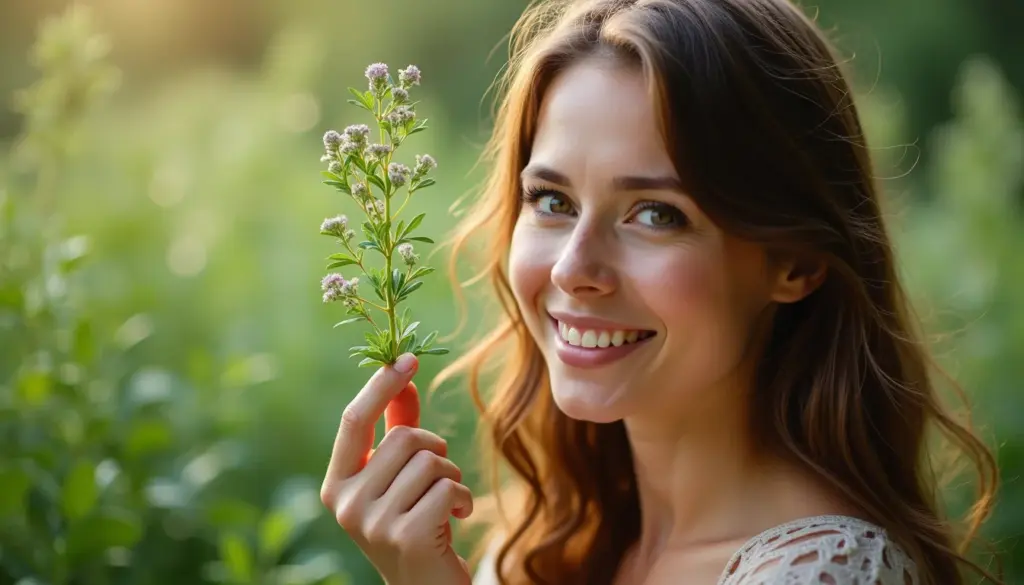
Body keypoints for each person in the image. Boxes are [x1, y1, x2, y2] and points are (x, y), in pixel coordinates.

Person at [318, 0, 1003, 583]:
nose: (572, 268)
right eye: (551, 199)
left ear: (793, 261)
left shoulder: (825, 570)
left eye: (655, 214)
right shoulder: (549, 540)